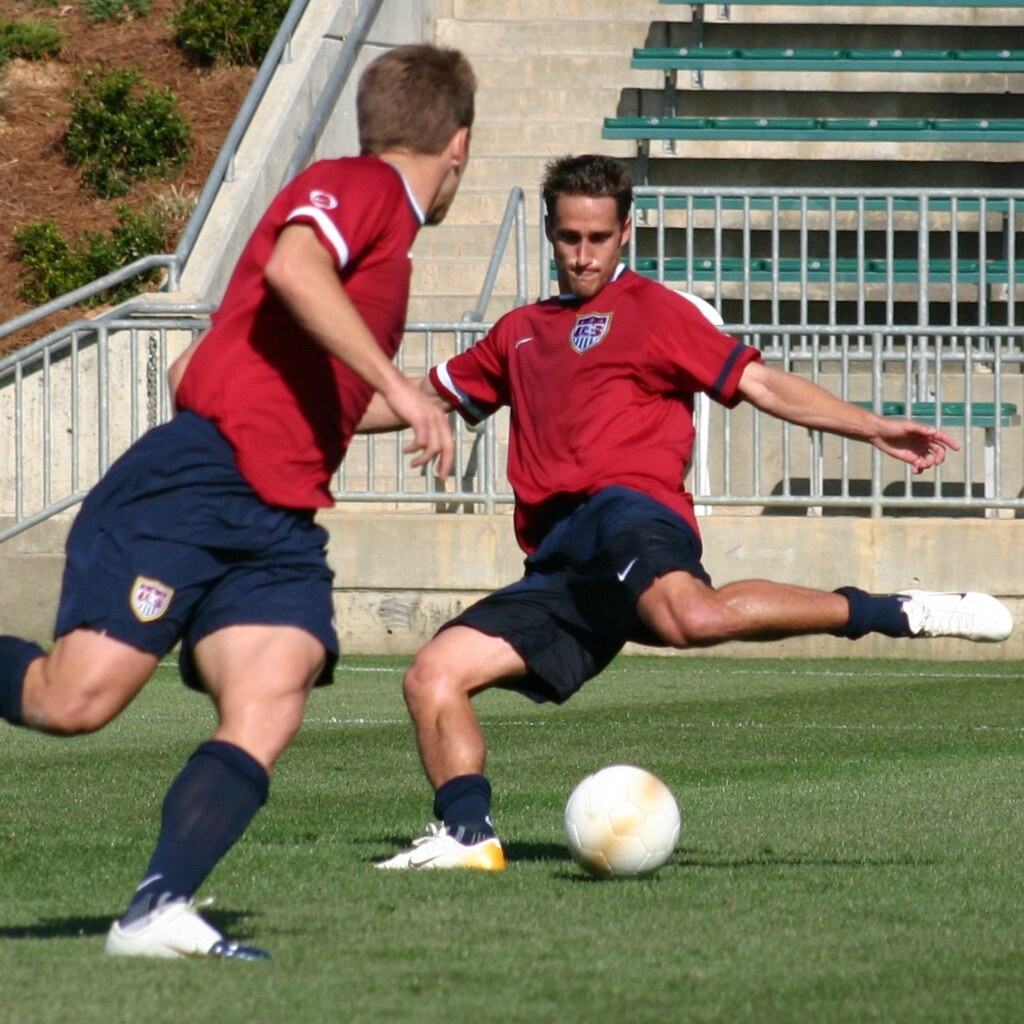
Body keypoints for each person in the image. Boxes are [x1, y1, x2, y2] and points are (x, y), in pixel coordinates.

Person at [371, 153, 1015, 871]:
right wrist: (297, 424)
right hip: (558, 559)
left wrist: (874, 425)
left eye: (598, 238)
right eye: (569, 238)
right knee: (432, 674)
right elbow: (412, 400)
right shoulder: (519, 331)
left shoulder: (652, 311)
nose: (583, 255)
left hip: (629, 512)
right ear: (549, 233)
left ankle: (893, 611)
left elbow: (762, 385)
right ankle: (467, 835)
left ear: (626, 236)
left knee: (693, 620)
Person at [0, 43, 476, 955]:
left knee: (275, 686)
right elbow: (299, 270)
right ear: (457, 144)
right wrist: (404, 390)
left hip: (276, 519)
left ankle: (156, 909)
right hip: (202, 486)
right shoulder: (367, 186)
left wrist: (428, 398)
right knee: (74, 703)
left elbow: (199, 365)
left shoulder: (388, 245)